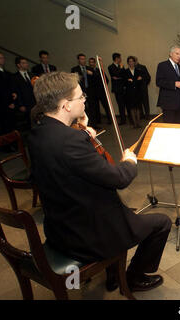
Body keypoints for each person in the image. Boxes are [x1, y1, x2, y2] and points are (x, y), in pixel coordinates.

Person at [28, 71, 171, 292]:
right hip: (87, 234)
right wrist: (130, 161)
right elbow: (119, 178)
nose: (85, 98)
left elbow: (70, 160)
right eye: (80, 96)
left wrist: (85, 132)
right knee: (161, 223)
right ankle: (131, 277)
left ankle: (114, 274)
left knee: (123, 209)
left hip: (59, 225)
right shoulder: (71, 141)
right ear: (66, 105)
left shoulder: (38, 132)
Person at [156, 45, 180, 124]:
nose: (179, 56)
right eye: (177, 54)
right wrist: (173, 84)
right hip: (168, 103)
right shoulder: (162, 65)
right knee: (170, 127)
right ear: (171, 54)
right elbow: (158, 82)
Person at [71, 54, 98, 129]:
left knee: (93, 108)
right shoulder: (75, 69)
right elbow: (74, 81)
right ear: (78, 60)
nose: (83, 61)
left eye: (84, 59)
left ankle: (93, 124)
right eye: (81, 59)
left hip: (90, 91)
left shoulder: (89, 68)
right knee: (83, 109)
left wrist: (92, 74)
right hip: (81, 92)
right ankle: (84, 125)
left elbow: (97, 78)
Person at [11, 57, 36, 132]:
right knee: (28, 124)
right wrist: (20, 105)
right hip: (25, 103)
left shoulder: (32, 75)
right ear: (18, 65)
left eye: (26, 62)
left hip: (34, 102)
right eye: (23, 63)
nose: (26, 64)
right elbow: (16, 92)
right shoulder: (14, 77)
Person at [88, 57, 112, 125]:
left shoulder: (99, 70)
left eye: (93, 62)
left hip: (101, 91)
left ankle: (110, 119)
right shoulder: (87, 71)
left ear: (95, 63)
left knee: (106, 106)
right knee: (96, 107)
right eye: (90, 62)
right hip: (93, 92)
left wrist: (103, 87)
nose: (92, 63)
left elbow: (106, 79)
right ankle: (98, 121)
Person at [0, 52, 16, 134]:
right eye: (0, 58)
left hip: (10, 103)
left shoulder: (7, 73)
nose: (2, 60)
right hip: (2, 105)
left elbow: (10, 87)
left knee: (11, 126)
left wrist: (13, 96)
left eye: (3, 58)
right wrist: (8, 102)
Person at [124, 56, 143, 128]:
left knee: (138, 108)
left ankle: (138, 123)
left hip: (138, 92)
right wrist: (134, 80)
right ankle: (134, 123)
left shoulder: (138, 71)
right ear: (128, 63)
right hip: (130, 93)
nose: (131, 63)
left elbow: (140, 81)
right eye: (129, 61)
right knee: (132, 108)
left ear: (134, 62)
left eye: (132, 61)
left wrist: (133, 81)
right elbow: (125, 82)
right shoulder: (125, 71)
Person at [108, 53, 128, 125]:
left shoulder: (121, 66)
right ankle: (123, 120)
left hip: (123, 87)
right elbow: (115, 74)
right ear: (116, 58)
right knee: (120, 104)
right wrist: (121, 69)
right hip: (117, 89)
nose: (121, 59)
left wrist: (119, 77)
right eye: (119, 58)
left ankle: (128, 119)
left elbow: (124, 76)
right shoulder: (110, 67)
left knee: (126, 104)